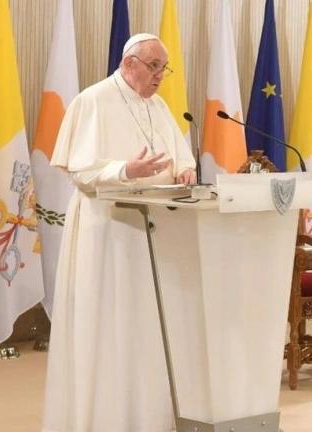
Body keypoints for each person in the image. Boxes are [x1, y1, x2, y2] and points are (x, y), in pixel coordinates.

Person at [42, 34, 196, 432]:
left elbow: (181, 156)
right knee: (109, 323)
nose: (160, 76)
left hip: (153, 228)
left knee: (146, 325)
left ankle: (149, 415)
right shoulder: (92, 101)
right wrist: (125, 170)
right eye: (154, 66)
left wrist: (185, 170)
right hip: (107, 229)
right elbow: (80, 172)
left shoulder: (158, 106)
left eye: (164, 68)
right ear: (130, 64)